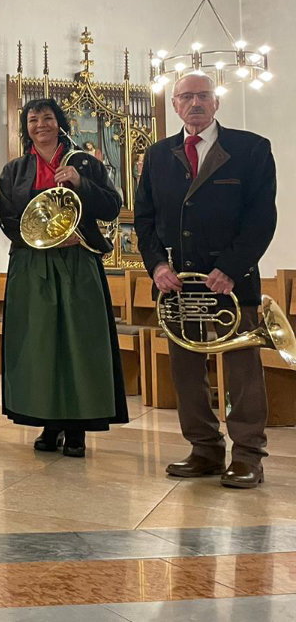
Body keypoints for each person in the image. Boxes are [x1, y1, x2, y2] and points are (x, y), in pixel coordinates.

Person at [134, 70, 276, 489]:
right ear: (174, 105)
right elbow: (144, 220)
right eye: (185, 97)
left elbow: (261, 217)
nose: (194, 103)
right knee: (185, 369)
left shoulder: (250, 149)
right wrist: (157, 265)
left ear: (217, 102)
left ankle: (248, 454)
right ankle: (204, 448)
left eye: (203, 96)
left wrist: (231, 267)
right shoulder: (158, 155)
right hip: (177, 282)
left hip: (232, 283)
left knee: (242, 369)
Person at [0, 97, 127, 457]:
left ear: (60, 122)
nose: (41, 125)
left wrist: (81, 182)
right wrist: (39, 238)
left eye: (48, 118)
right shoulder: (15, 170)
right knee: (40, 345)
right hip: (31, 264)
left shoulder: (84, 162)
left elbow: (112, 206)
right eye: (33, 119)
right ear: (26, 127)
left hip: (77, 260)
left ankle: (77, 429)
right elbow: (7, 218)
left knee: (78, 344)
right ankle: (49, 423)